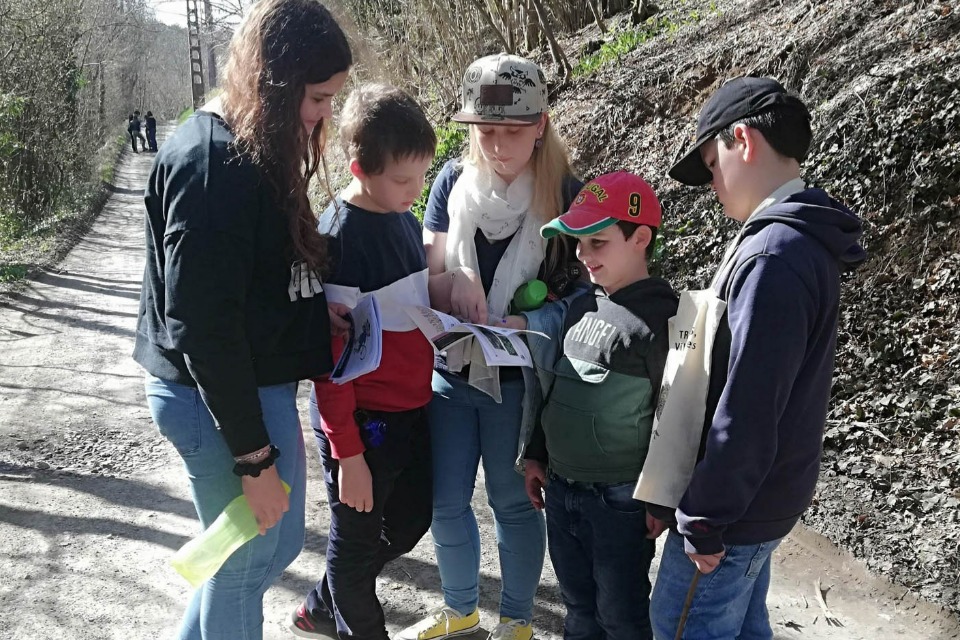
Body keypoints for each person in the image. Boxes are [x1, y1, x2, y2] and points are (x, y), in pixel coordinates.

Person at [133, 1, 351, 638]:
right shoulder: (211, 166)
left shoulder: (250, 145)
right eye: (318, 98)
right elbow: (204, 327)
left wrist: (312, 310)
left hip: (252, 385)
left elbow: (246, 279)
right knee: (245, 561)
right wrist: (253, 462)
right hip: (214, 398)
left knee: (267, 551)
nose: (325, 115)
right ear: (275, 84)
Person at [647, 76, 866, 639]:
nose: (712, 184)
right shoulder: (797, 239)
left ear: (742, 139)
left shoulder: (773, 254)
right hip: (763, 497)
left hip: (734, 511)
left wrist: (703, 518)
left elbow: (749, 404)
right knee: (743, 626)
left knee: (678, 624)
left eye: (711, 165)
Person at [398, 53, 584, 640]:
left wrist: (530, 322)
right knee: (446, 501)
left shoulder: (567, 195)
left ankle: (518, 622)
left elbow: (589, 296)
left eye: (512, 132)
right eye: (485, 131)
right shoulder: (451, 184)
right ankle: (460, 612)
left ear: (541, 125)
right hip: (451, 373)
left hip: (519, 383)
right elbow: (425, 279)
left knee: (513, 501)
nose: (498, 147)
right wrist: (452, 282)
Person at [289, 83, 438, 640]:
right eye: (403, 179)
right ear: (359, 168)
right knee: (353, 552)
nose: (415, 190)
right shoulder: (339, 238)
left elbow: (411, 301)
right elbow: (330, 363)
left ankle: (321, 605)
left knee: (411, 520)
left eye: (422, 176)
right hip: (360, 424)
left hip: (410, 409)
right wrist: (348, 453)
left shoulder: (403, 216)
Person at [510, 171, 678, 640]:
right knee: (578, 609)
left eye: (597, 243)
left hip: (619, 501)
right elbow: (554, 390)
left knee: (621, 615)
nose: (583, 255)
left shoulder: (662, 319)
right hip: (561, 490)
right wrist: (537, 455)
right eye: (579, 243)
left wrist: (662, 498)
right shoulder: (582, 307)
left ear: (640, 238)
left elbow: (677, 418)